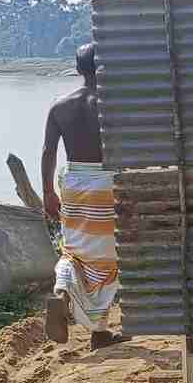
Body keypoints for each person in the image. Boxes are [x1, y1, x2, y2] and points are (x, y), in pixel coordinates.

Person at [43, 43, 124, 348]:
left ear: (78, 69)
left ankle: (62, 294)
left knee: (74, 252)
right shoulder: (114, 105)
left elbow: (48, 151)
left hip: (74, 183)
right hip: (107, 183)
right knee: (108, 259)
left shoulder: (60, 106)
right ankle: (99, 331)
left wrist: (48, 192)